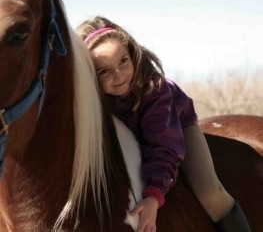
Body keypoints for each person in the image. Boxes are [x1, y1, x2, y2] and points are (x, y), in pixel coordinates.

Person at [76, 16, 251, 232]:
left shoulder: (154, 90)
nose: (119, 75)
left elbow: (163, 146)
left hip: (174, 127)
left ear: (132, 54)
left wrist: (154, 196)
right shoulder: (92, 99)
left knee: (210, 193)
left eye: (123, 61)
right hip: (134, 132)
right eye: (104, 71)